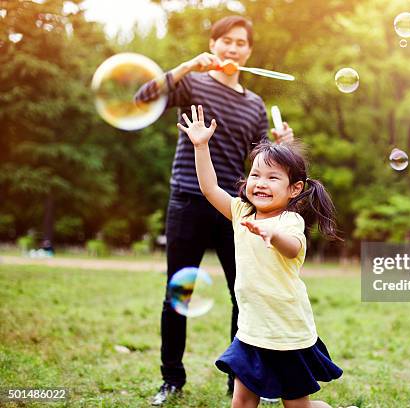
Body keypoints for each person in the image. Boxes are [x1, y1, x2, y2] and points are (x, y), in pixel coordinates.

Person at [134, 16, 294, 405]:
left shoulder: (255, 105)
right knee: (178, 294)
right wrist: (188, 65)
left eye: (240, 43)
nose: (233, 48)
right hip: (187, 199)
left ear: (248, 51)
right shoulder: (192, 83)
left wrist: (281, 145)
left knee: (245, 294)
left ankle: (240, 381)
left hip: (233, 209)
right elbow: (143, 97)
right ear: (213, 44)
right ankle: (171, 379)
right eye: (226, 41)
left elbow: (260, 165)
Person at [179, 104, 343, 407]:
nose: (260, 183)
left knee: (296, 406)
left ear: (294, 189)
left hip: (286, 330)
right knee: (241, 401)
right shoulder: (241, 212)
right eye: (255, 175)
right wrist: (201, 146)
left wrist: (273, 235)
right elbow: (209, 188)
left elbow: (293, 247)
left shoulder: (289, 221)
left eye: (272, 178)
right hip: (252, 329)